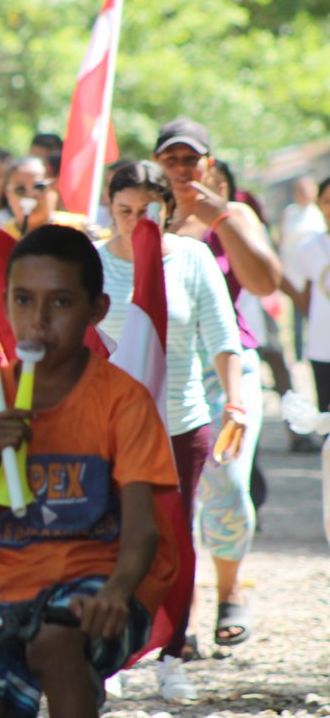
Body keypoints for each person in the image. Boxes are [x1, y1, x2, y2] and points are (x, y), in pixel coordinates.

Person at [0, 225, 179, 718]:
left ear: (96, 310)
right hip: (6, 594)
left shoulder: (122, 400)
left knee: (56, 640)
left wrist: (118, 591)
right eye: (23, 300)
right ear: (5, 304)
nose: (39, 321)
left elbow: (144, 528)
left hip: (105, 587)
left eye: (61, 303)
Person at [96, 161, 242, 695]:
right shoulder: (92, 263)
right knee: (109, 539)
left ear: (168, 208)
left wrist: (236, 403)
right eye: (125, 210)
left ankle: (172, 657)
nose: (136, 220)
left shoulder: (193, 258)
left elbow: (223, 337)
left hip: (181, 422)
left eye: (148, 210)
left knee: (175, 542)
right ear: (109, 207)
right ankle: (109, 657)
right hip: (109, 428)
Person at [154, 118, 281, 657]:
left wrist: (220, 221)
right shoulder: (146, 215)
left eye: (192, 159)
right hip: (168, 366)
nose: (182, 169)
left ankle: (230, 594)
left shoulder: (235, 214)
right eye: (172, 160)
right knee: (172, 492)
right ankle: (177, 611)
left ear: (208, 164)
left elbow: (266, 282)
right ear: (157, 165)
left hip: (230, 364)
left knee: (226, 481)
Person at [283, 176, 330, 410]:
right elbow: (304, 293)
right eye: (328, 201)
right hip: (322, 343)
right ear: (319, 204)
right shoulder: (309, 248)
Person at [279, 175, 326, 361]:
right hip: (295, 271)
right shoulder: (290, 214)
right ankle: (299, 355)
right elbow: (283, 241)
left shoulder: (318, 213)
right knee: (297, 315)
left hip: (320, 275)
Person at [2, 156, 89, 239]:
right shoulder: (1, 235)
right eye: (20, 189)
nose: (30, 195)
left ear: (53, 188)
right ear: (8, 195)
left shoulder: (80, 229)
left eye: (39, 187)